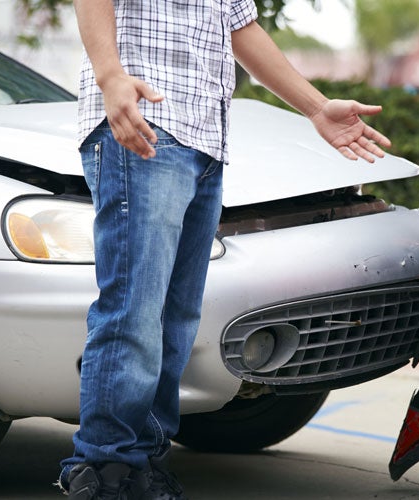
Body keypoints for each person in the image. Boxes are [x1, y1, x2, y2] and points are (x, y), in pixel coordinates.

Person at [58, 1, 391, 498]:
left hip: (205, 143)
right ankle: (104, 469)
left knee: (176, 321)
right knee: (133, 313)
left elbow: (242, 28)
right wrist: (110, 76)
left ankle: (141, 465)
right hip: (143, 126)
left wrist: (317, 108)